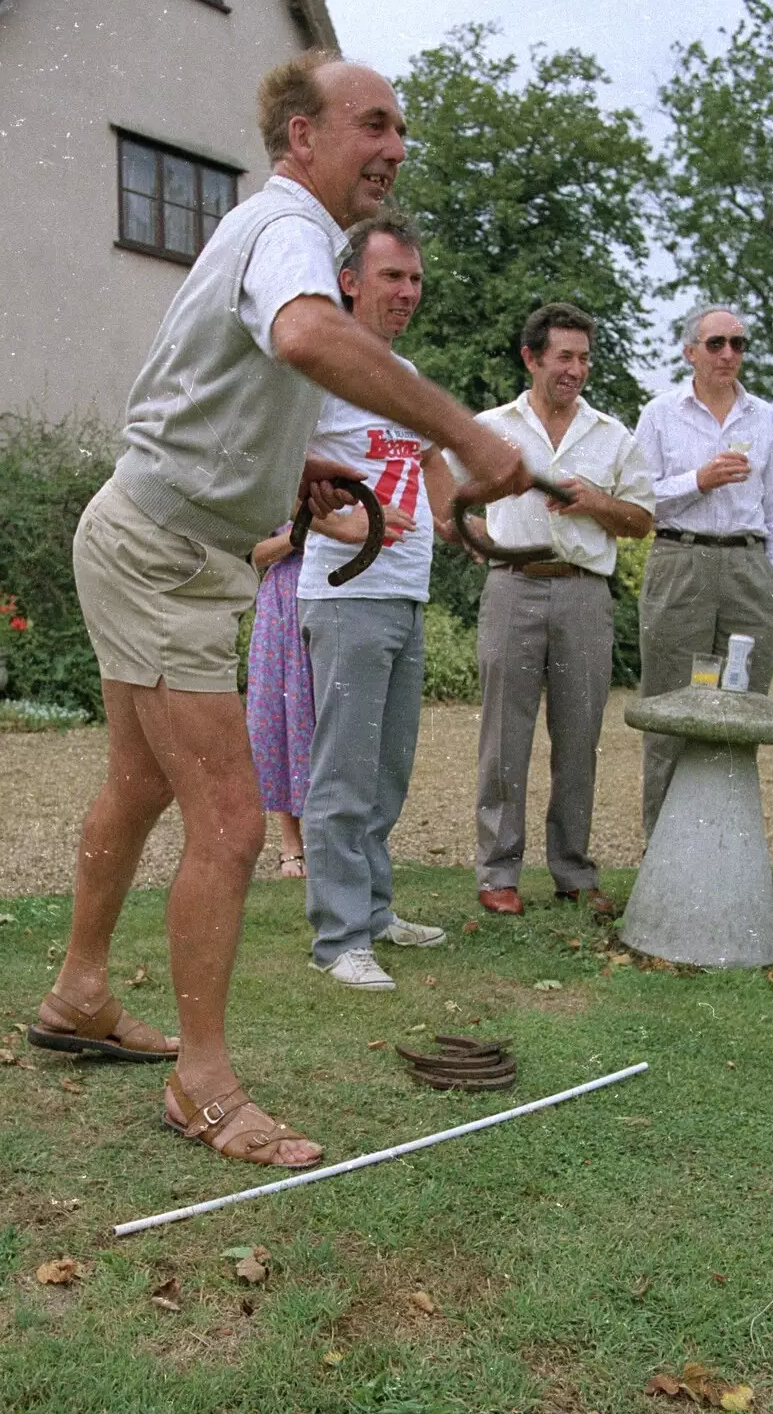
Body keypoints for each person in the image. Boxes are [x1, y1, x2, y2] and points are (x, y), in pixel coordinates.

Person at [26, 50, 533, 1169]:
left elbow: (230, 378)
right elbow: (305, 334)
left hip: (160, 536)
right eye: (374, 125)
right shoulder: (292, 232)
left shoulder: (266, 230)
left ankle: (79, 991)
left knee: (139, 781)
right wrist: (465, 430)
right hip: (160, 554)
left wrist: (287, 475)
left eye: (401, 132)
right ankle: (200, 1084)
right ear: (303, 137)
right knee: (234, 821)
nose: (396, 148)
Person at [300, 211, 457, 989]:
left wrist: (458, 515)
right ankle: (336, 939)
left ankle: (373, 911)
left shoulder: (405, 380)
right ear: (351, 281)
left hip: (404, 592)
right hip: (345, 594)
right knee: (343, 768)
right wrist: (341, 517)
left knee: (387, 767)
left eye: (415, 279)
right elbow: (280, 468)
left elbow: (428, 463)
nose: (406, 291)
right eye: (392, 276)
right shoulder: (320, 372)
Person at [463, 303, 654, 918]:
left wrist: (596, 502)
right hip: (512, 585)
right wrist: (472, 536)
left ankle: (573, 870)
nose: (576, 369)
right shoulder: (490, 427)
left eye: (583, 358)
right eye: (564, 356)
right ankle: (498, 872)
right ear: (532, 358)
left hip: (583, 593)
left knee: (580, 736)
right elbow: (446, 493)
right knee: (503, 737)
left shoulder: (611, 435)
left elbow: (642, 519)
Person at [635, 304, 773, 838]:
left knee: (742, 710)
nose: (728, 353)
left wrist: (772, 573)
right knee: (668, 710)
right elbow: (638, 503)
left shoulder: (766, 420)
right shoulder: (660, 414)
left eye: (738, 343)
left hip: (748, 569)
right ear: (690, 352)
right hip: (679, 560)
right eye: (716, 344)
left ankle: (728, 852)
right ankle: (662, 854)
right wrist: (698, 480)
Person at [245, 525, 315, 879]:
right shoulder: (274, 488)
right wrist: (298, 535)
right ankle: (291, 842)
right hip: (283, 603)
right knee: (279, 714)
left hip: (338, 592)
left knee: (326, 713)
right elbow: (252, 554)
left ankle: (335, 840)